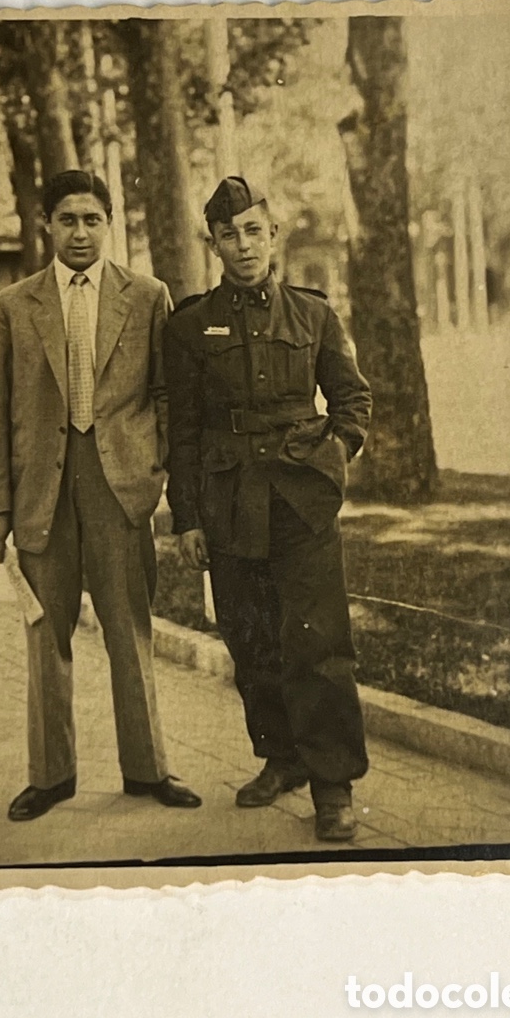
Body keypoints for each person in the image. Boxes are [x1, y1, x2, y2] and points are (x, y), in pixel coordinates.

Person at [0, 170, 201, 821]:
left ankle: (148, 768)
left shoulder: (147, 295)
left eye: (92, 219)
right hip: (40, 490)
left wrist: (152, 468)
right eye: (67, 219)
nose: (80, 232)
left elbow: (166, 395)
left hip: (119, 487)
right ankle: (51, 776)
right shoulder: (13, 307)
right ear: (45, 223)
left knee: (130, 629)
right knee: (46, 633)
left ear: (110, 223)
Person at [163, 177, 371, 841]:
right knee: (250, 641)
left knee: (317, 643)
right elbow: (185, 431)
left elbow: (351, 401)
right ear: (213, 242)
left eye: (254, 230)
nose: (244, 244)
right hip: (228, 505)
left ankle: (333, 787)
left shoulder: (312, 314)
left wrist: (332, 457)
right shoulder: (191, 326)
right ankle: (281, 760)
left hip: (301, 504)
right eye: (230, 234)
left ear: (272, 235)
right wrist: (188, 516)